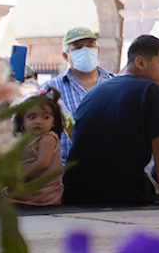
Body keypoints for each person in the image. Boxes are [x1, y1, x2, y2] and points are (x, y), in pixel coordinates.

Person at [61, 35, 159, 208]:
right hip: (118, 193)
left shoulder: (96, 90)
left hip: (75, 193)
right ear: (141, 62)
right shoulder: (149, 89)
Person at [42, 27, 114, 162]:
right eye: (78, 47)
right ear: (65, 55)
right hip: (68, 171)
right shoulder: (51, 89)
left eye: (90, 46)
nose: (85, 51)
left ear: (97, 51)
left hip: (110, 167)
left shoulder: (115, 84)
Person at [7, 89, 64, 206]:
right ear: (23, 122)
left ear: (54, 122)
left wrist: (20, 179)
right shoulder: (24, 140)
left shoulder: (48, 138)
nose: (38, 122)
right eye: (32, 118)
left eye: (45, 117)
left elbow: (42, 164)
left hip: (42, 193)